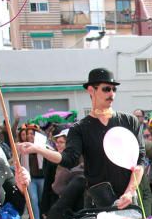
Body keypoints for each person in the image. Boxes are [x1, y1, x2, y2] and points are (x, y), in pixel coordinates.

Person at [20, 69, 145, 211]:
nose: (111, 94)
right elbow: (68, 159)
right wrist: (38, 149)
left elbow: (140, 160)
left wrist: (129, 192)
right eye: (106, 89)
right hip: (97, 202)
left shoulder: (130, 121)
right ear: (91, 90)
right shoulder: (80, 128)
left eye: (114, 89)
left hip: (128, 199)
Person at [17, 124, 45, 219]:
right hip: (31, 178)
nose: (29, 136)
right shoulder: (22, 146)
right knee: (33, 199)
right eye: (28, 134)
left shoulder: (42, 146)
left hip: (42, 177)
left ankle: (41, 216)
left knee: (41, 199)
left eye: (32, 134)